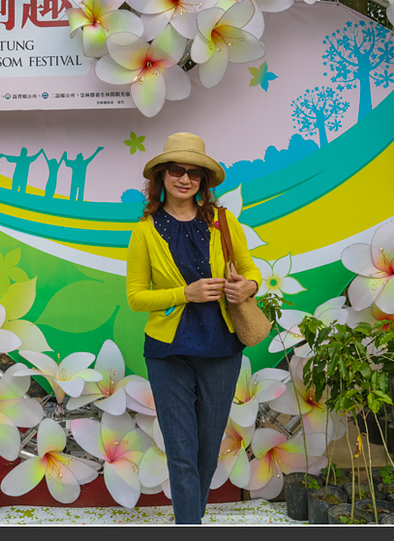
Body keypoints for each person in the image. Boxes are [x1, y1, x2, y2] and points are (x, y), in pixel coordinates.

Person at [125, 132, 261, 524]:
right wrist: (185, 293)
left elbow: (251, 270)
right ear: (161, 177)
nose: (185, 179)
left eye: (194, 174)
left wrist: (247, 286)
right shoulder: (144, 231)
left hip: (221, 348)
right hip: (168, 353)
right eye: (176, 171)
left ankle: (190, 520)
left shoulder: (223, 221)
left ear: (203, 181)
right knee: (181, 450)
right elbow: (136, 297)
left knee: (206, 448)